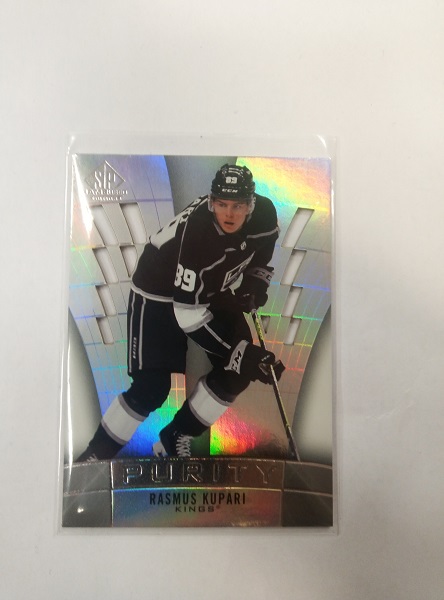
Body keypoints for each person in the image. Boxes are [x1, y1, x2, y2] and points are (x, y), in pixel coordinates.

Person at [77, 164, 284, 461]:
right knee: (151, 388)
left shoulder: (265, 214)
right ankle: (95, 456)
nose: (229, 214)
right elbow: (187, 313)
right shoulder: (198, 236)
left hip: (210, 289)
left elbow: (262, 252)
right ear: (211, 203)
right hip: (157, 294)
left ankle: (175, 437)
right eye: (222, 204)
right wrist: (241, 352)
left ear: (251, 205)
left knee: (237, 371)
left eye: (238, 206)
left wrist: (254, 283)